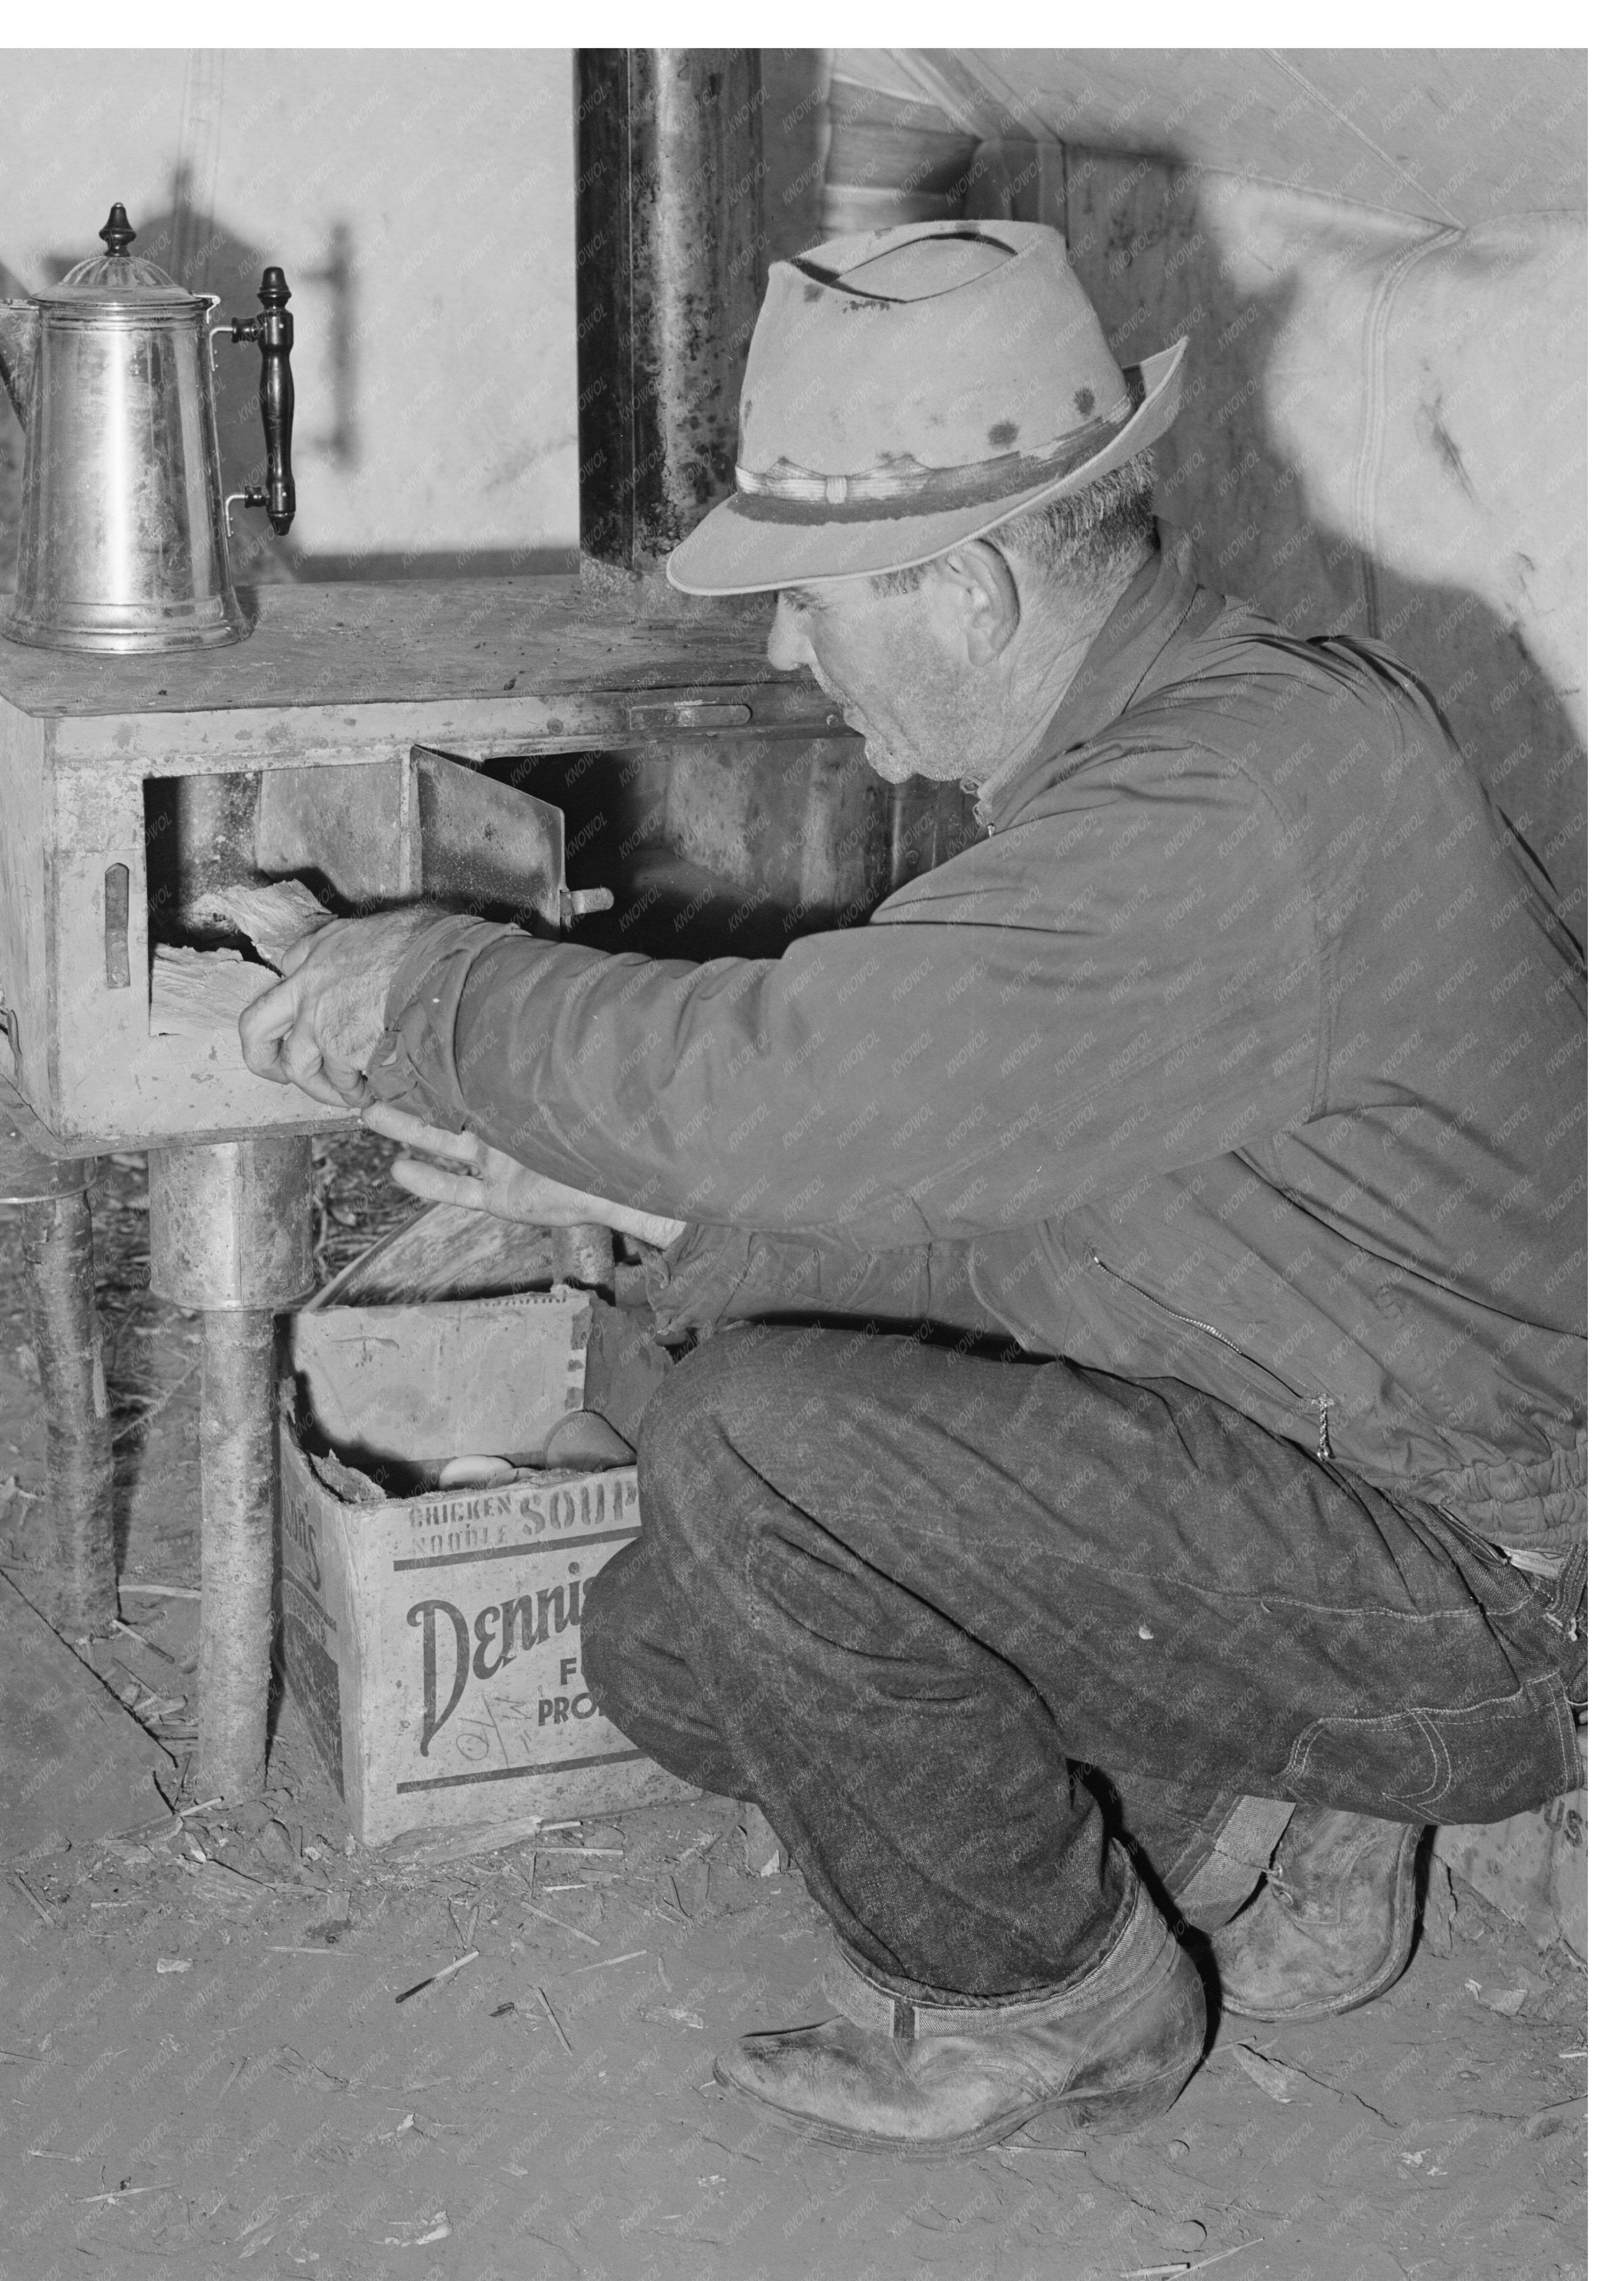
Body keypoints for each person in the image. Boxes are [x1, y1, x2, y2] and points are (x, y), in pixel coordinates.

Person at [240, 222, 1585, 2157]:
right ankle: (1261, 1811)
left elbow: (803, 1082)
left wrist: (435, 993)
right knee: (671, 1646)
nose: (790, 645)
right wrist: (625, 1207)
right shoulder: (1189, 734)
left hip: (1504, 1574)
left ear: (962, 587)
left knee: (762, 1454)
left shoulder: (1225, 806)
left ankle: (1061, 2010)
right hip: (1318, 1452)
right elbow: (977, 1175)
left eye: (811, 598)